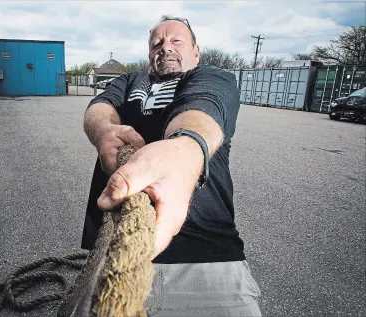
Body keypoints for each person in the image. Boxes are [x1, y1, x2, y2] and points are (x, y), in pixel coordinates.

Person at [74, 15, 262, 317]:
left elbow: (203, 108)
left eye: (176, 40)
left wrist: (185, 148)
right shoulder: (129, 81)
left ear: (196, 52)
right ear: (150, 54)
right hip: (115, 248)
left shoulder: (211, 77)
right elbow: (99, 107)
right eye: (157, 43)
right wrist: (103, 131)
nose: (165, 47)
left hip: (206, 253)